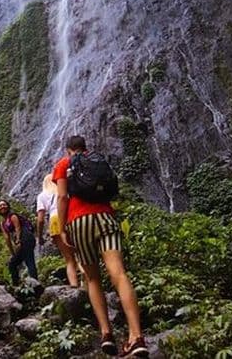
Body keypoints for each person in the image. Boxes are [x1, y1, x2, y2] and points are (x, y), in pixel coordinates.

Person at [54, 136, 147, 358]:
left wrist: (63, 226)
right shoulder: (97, 160)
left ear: (69, 150)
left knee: (92, 278)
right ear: (85, 147)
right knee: (119, 274)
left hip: (79, 222)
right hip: (106, 217)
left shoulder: (63, 164)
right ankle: (137, 337)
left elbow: (62, 197)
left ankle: (106, 333)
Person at [36, 173, 80, 288]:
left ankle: (75, 286)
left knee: (69, 259)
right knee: (80, 254)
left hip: (55, 221)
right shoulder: (64, 190)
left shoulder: (42, 196)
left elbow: (40, 220)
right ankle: (88, 281)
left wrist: (39, 237)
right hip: (70, 217)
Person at [0, 199, 38, 286]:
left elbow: (18, 228)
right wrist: (12, 252)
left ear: (8, 206)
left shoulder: (13, 216)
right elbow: (6, 238)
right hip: (20, 241)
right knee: (12, 264)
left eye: (4, 204)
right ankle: (16, 285)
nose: (2, 207)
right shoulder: (3, 223)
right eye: (0, 206)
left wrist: (18, 241)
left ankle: (35, 285)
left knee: (29, 260)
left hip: (27, 238)